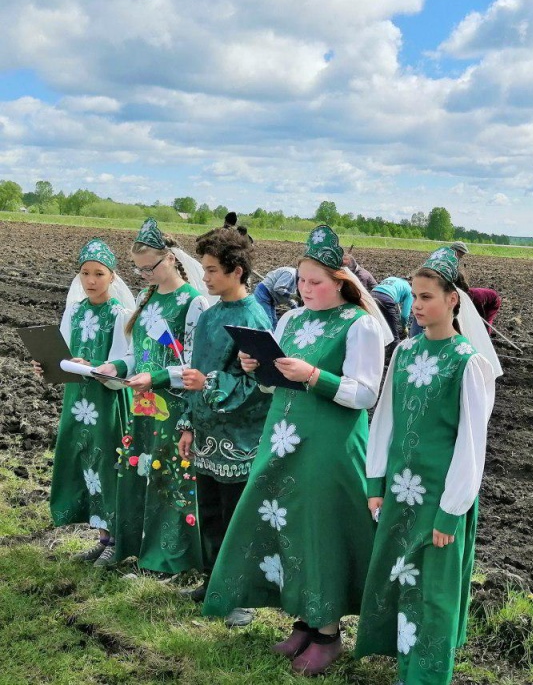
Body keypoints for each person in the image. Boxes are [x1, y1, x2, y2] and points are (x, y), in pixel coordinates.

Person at [203, 224, 390, 677]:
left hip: (329, 445)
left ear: (341, 282)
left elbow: (365, 394)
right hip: (283, 438)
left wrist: (313, 376)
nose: (305, 289)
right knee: (288, 525)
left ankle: (329, 635)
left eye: (316, 282)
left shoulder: (359, 324)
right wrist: (257, 366)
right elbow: (275, 384)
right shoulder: (290, 320)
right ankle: (304, 621)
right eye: (302, 281)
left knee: (319, 530)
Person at [355, 246, 498, 685]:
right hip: (399, 492)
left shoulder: (468, 363)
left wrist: (451, 509)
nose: (416, 306)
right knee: (400, 575)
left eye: (426, 297)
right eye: (413, 297)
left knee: (432, 590)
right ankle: (404, 664)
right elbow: (385, 421)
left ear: (453, 300)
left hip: (438, 496)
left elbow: (471, 444)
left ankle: (426, 676)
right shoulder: (402, 353)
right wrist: (375, 480)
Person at [175, 223, 273, 627]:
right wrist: (187, 423)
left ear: (237, 271)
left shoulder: (254, 317)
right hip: (207, 432)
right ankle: (214, 580)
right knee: (211, 512)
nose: (205, 276)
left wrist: (210, 384)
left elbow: (262, 383)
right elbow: (194, 371)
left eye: (213, 269)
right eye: (204, 268)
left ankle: (241, 596)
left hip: (240, 438)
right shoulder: (211, 314)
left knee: (237, 518)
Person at [107, 218, 211, 574]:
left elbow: (196, 366)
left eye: (150, 267)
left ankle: (171, 558)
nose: (145, 274)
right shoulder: (144, 298)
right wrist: (116, 368)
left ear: (170, 258)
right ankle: (141, 547)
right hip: (144, 404)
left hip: (176, 407)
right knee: (142, 469)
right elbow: (138, 354)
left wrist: (159, 376)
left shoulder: (193, 303)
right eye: (138, 270)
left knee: (170, 476)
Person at [38, 238, 134, 566]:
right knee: (84, 462)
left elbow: (124, 362)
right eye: (85, 273)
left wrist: (97, 368)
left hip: (105, 402)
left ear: (112, 277)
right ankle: (102, 537)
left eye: (99, 274)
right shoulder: (75, 311)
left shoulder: (119, 314)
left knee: (108, 465)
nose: (91, 281)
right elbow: (62, 353)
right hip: (76, 402)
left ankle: (117, 541)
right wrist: (48, 364)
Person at [371, 275, 414, 348]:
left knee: (378, 325)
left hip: (372, 296)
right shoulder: (410, 290)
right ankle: (394, 352)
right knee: (393, 331)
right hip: (386, 299)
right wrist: (404, 327)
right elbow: (404, 315)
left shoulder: (391, 279)